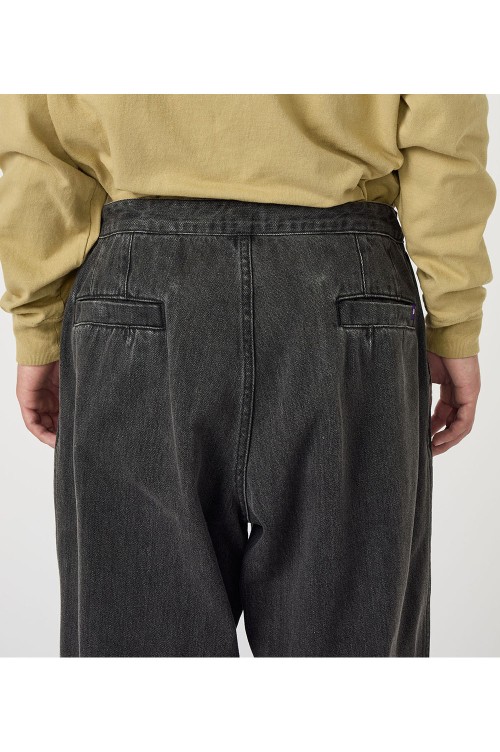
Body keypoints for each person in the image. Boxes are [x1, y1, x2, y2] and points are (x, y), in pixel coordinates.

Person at [0, 94, 496, 657]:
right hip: (347, 286)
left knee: (135, 655)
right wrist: (454, 319)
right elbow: (444, 132)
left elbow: (37, 147)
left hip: (138, 292)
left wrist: (38, 324)